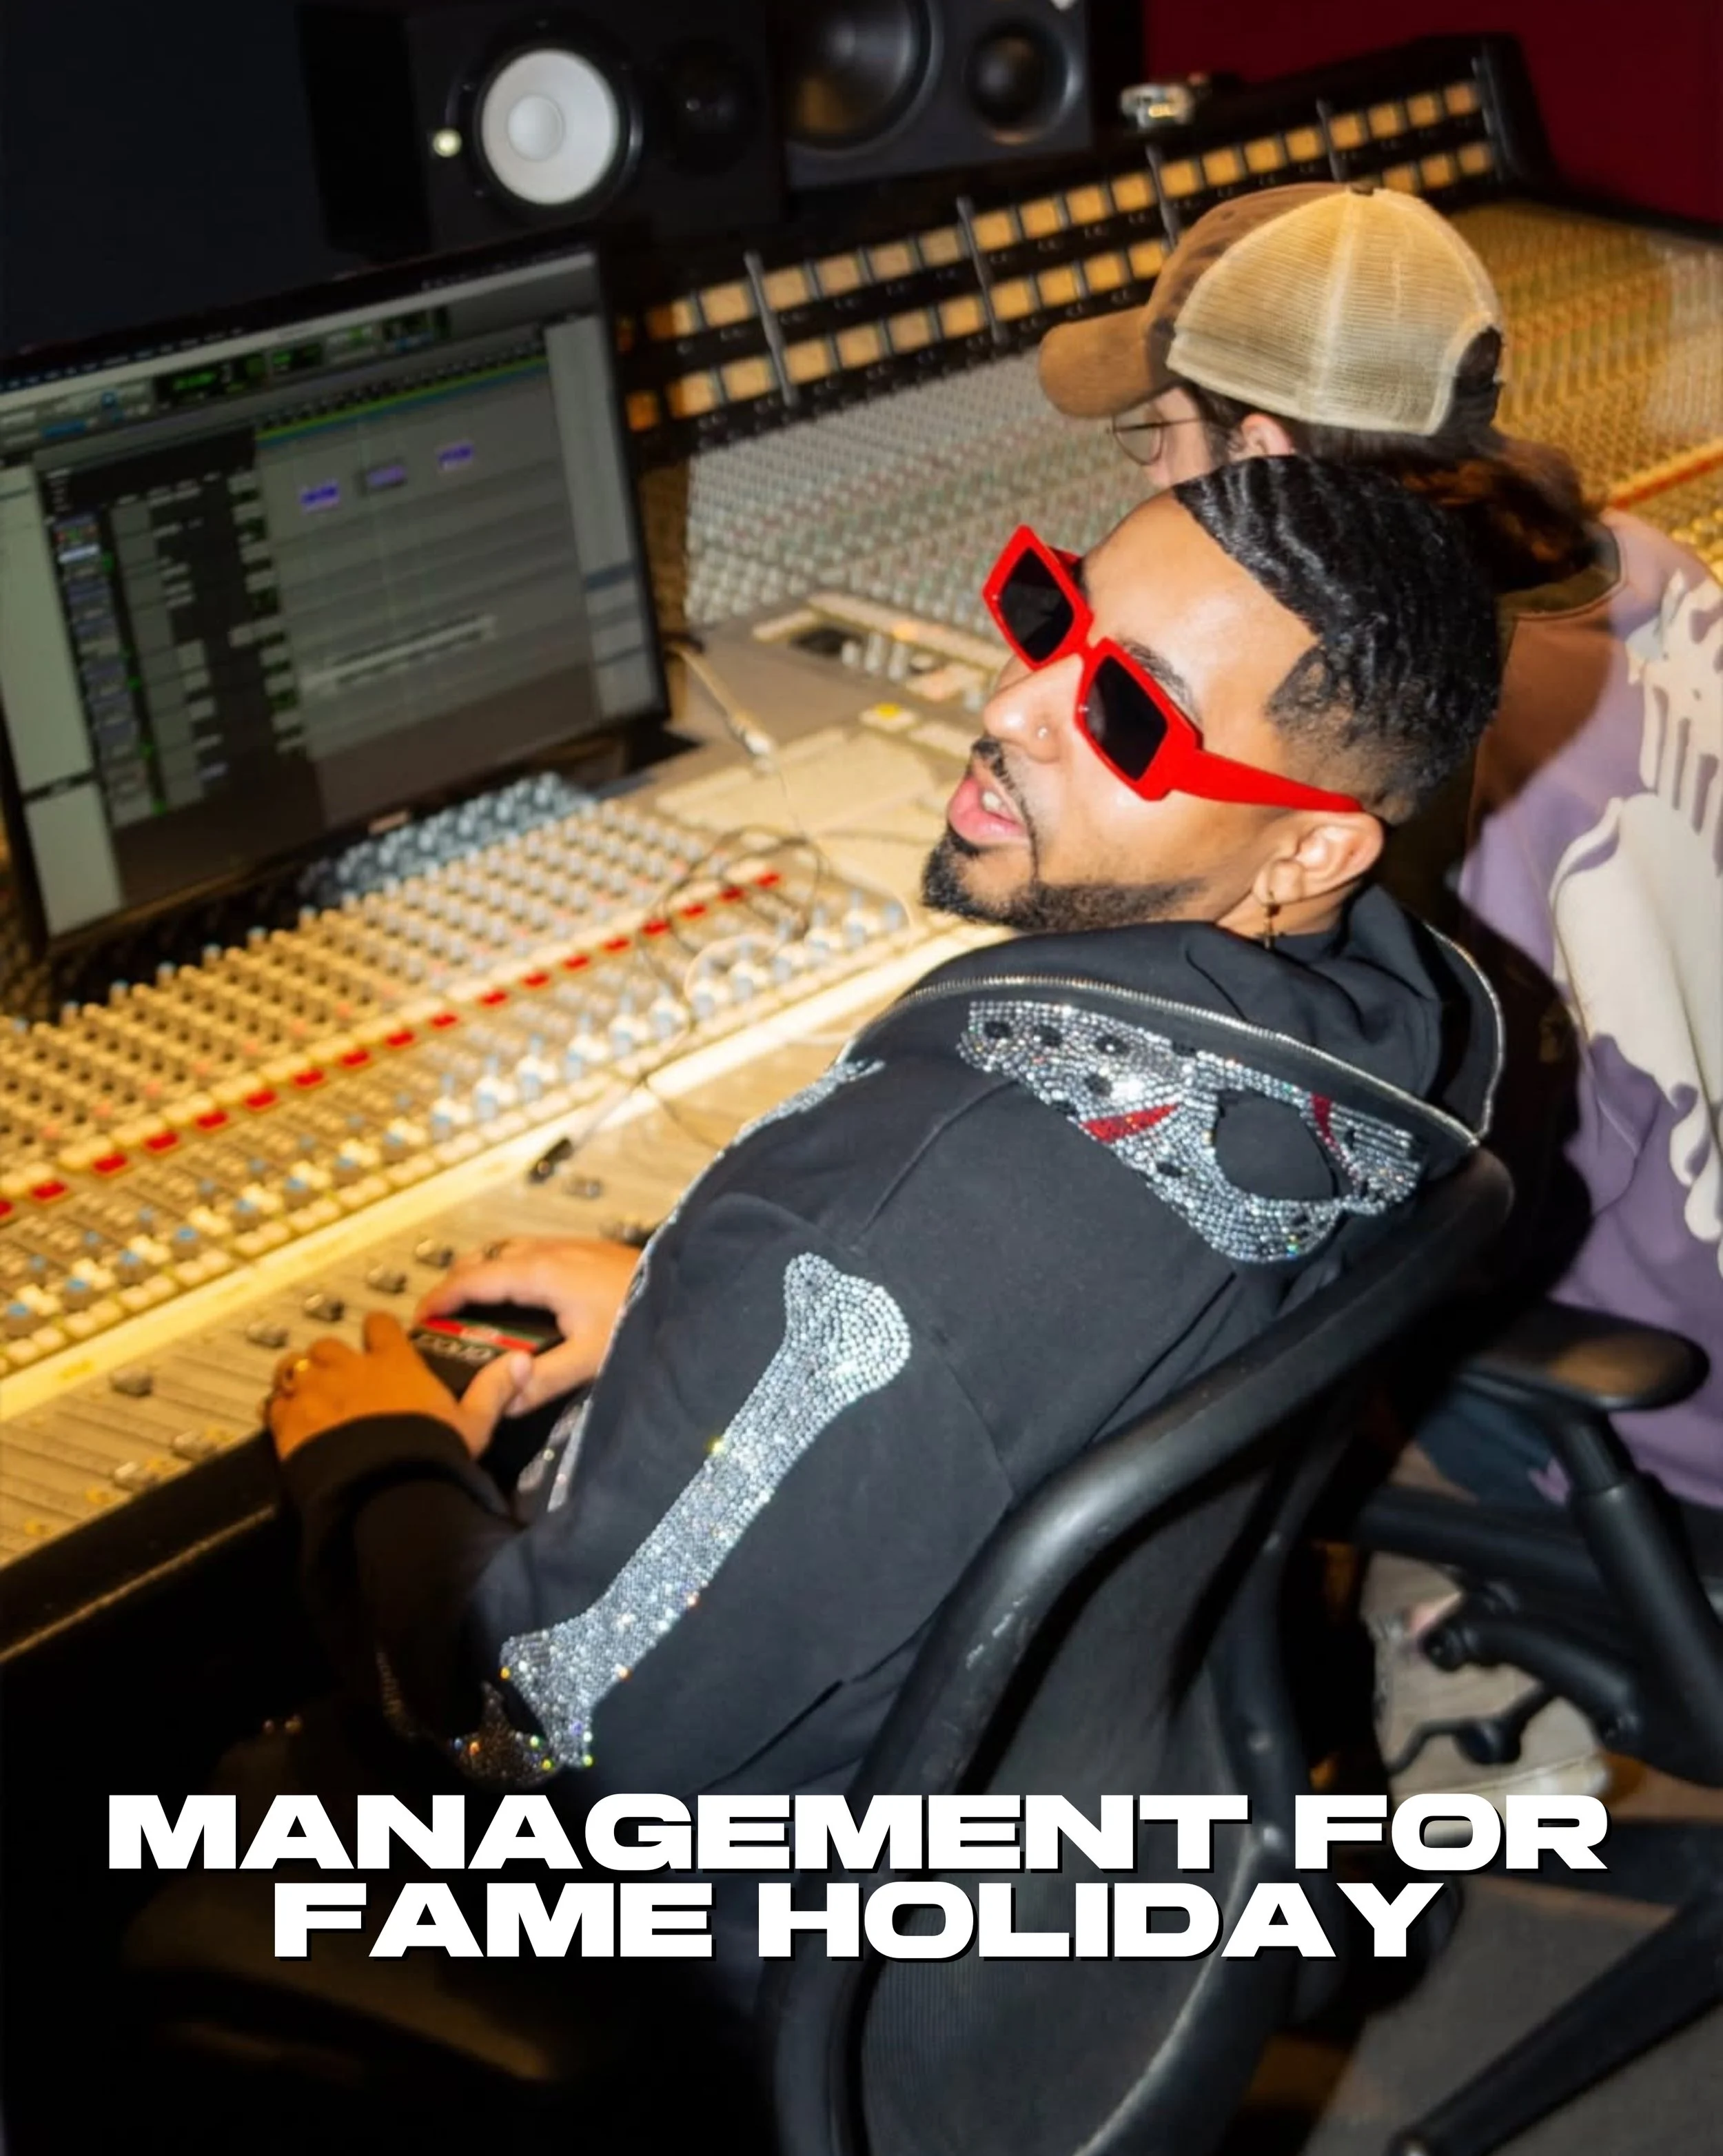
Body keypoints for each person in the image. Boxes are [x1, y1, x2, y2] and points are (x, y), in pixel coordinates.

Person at [251, 459, 1500, 2006]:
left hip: (776, 1944)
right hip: (1073, 1817)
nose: (1012, 703)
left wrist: (373, 1458)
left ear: (1309, 848)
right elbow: (1025, 1330)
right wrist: (685, 1301)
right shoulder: (1377, 1038)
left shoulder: (902, 1214)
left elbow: (554, 1733)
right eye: (1049, 616)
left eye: (1125, 713)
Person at [1037, 181, 1722, 1528]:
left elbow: (1224, 1182)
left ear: (1262, 447)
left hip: (1663, 1434)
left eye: (1159, 437)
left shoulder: (1374, 777)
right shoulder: (1647, 572)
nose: (1145, 477)